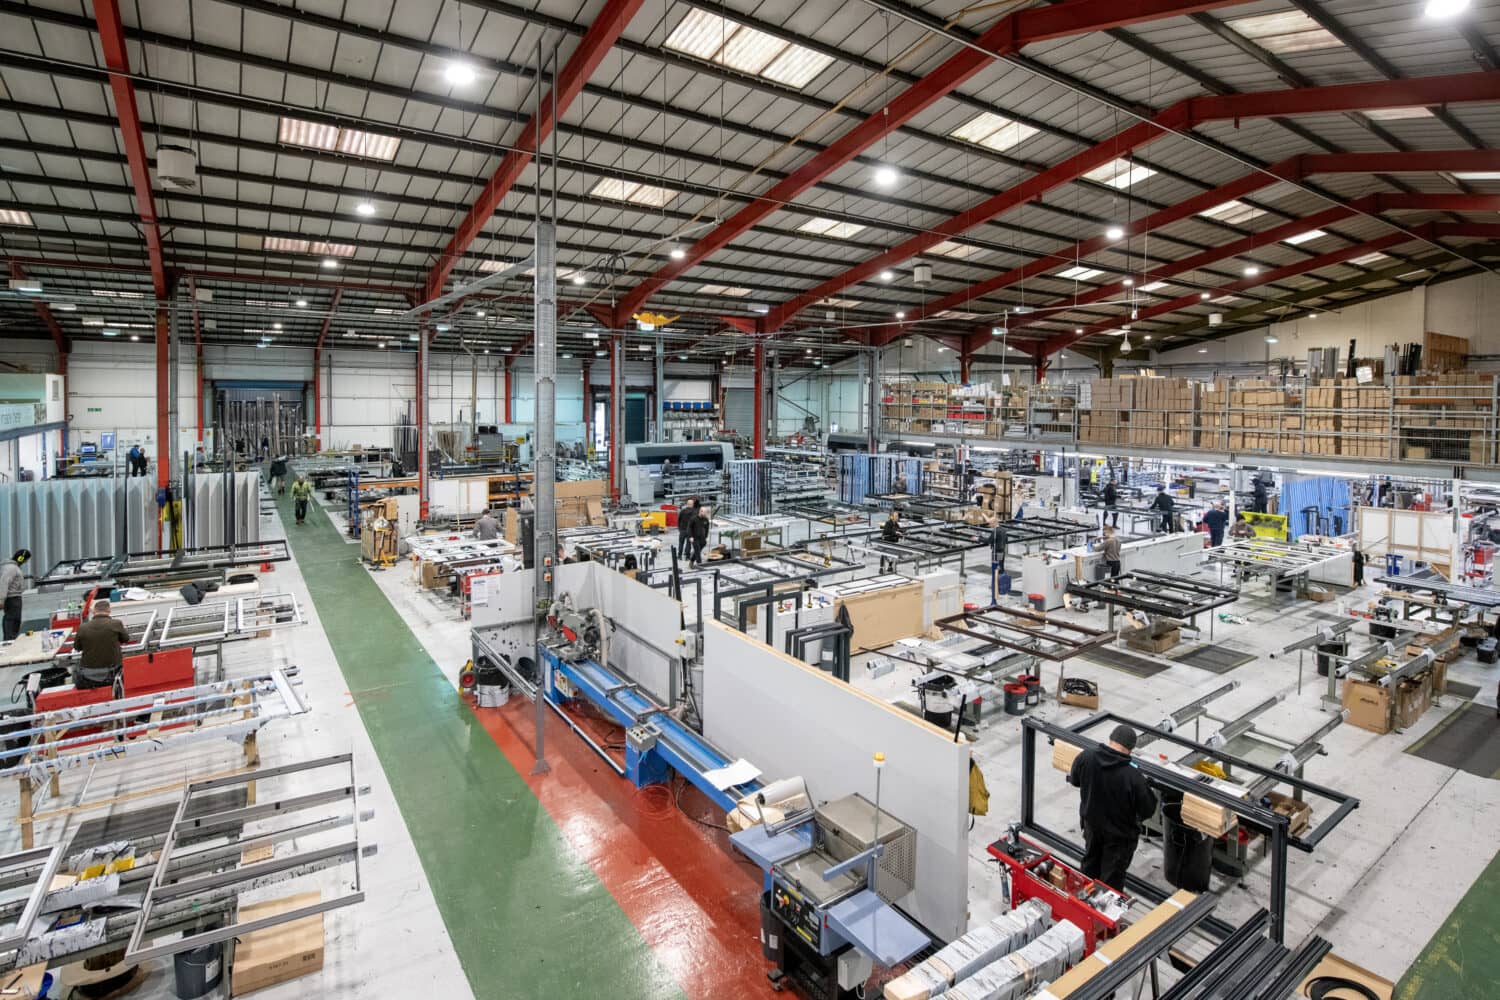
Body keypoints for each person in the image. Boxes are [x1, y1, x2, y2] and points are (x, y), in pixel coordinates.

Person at [1068, 724, 1158, 892]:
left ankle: (1083, 906)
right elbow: (1148, 809)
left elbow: (1074, 780)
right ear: (1130, 750)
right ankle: (1103, 915)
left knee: (1089, 867)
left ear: (1110, 740)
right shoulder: (1133, 777)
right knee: (1111, 880)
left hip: (1092, 827)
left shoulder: (1086, 757)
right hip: (1119, 839)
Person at [72, 599, 131, 689]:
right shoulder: (116, 623)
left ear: (94, 611)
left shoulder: (82, 627)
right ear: (109, 611)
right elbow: (126, 639)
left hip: (88, 673)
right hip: (113, 670)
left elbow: (77, 647)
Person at [1, 549, 29, 642]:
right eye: (25, 560)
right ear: (21, 558)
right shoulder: (11, 568)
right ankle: (9, 642)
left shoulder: (12, 567)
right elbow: (4, 583)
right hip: (12, 599)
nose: (25, 562)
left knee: (13, 621)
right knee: (12, 621)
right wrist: (1, 600)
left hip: (14, 598)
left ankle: (10, 640)